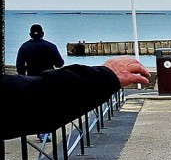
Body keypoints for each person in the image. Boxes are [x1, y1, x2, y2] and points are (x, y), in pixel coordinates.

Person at [2, 55, 151, 140]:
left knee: (38, 114)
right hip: (42, 82)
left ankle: (42, 134)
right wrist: (104, 77)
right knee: (41, 113)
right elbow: (58, 64)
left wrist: (22, 75)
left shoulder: (25, 47)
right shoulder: (49, 45)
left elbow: (20, 66)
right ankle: (43, 135)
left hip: (32, 81)